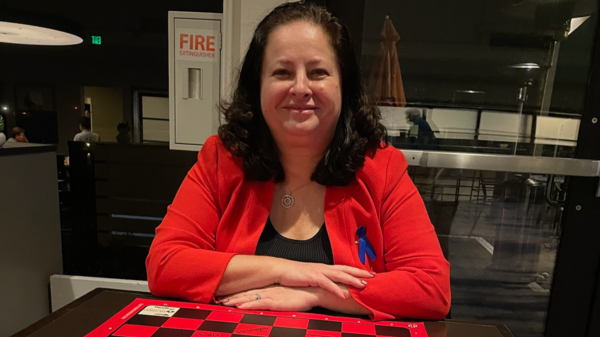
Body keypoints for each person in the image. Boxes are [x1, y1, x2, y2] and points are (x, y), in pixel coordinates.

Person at [146, 2, 450, 321]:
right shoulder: (222, 159)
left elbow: (430, 290)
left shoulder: (382, 167)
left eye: (318, 72)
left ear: (343, 85)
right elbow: (165, 264)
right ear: (258, 85)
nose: (301, 88)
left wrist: (313, 292)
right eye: (282, 72)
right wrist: (286, 270)